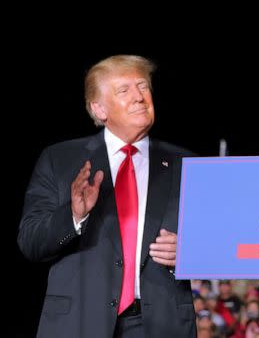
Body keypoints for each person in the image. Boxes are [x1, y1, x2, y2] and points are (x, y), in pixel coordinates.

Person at [18, 55, 196, 337]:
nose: (139, 97)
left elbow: (221, 242)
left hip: (161, 324)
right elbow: (31, 241)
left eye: (143, 86)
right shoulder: (59, 159)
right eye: (124, 90)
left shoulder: (187, 164)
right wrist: (74, 216)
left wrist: (193, 252)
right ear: (98, 109)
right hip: (78, 322)